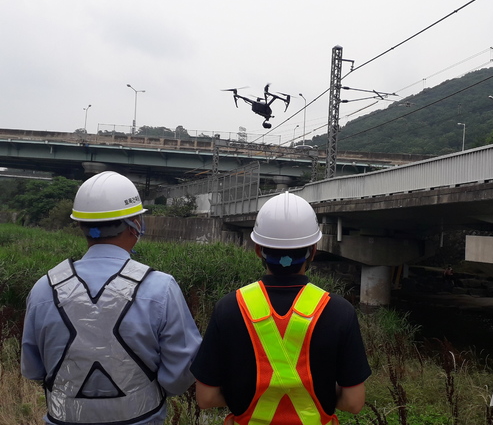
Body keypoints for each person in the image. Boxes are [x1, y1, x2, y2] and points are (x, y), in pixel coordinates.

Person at [21, 171, 202, 425]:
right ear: (135, 223)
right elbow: (180, 373)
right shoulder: (160, 288)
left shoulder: (44, 288)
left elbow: (32, 369)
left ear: (81, 225)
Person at [191, 191, 371, 425]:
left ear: (258, 250)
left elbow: (206, 398)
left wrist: (241, 393)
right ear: (313, 251)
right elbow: (353, 402)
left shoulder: (229, 307)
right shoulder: (339, 311)